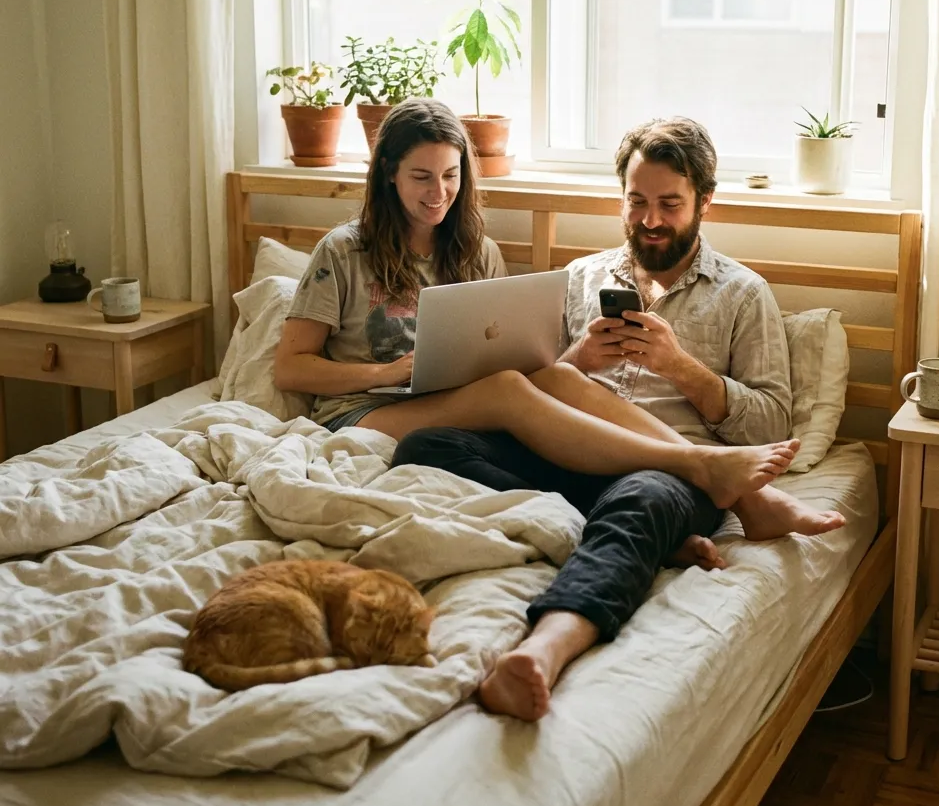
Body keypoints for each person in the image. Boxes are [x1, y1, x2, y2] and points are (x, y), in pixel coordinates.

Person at [391, 116, 846, 721]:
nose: (650, 220)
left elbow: (767, 428)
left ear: (705, 202)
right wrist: (577, 358)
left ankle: (542, 652)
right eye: (636, 202)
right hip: (573, 453)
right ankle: (646, 536)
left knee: (644, 500)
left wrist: (682, 367)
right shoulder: (581, 278)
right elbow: (534, 388)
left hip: (683, 473)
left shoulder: (742, 293)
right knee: (427, 444)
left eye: (669, 204)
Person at [275, 99, 802, 512]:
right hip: (364, 415)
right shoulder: (345, 250)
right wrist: (384, 370)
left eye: (452, 175)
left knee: (543, 384)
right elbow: (290, 367)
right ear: (388, 172)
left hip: (460, 414)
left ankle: (677, 480)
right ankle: (702, 467)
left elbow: (535, 377)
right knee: (509, 391)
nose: (439, 192)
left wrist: (651, 365)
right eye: (422, 176)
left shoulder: (478, 252)